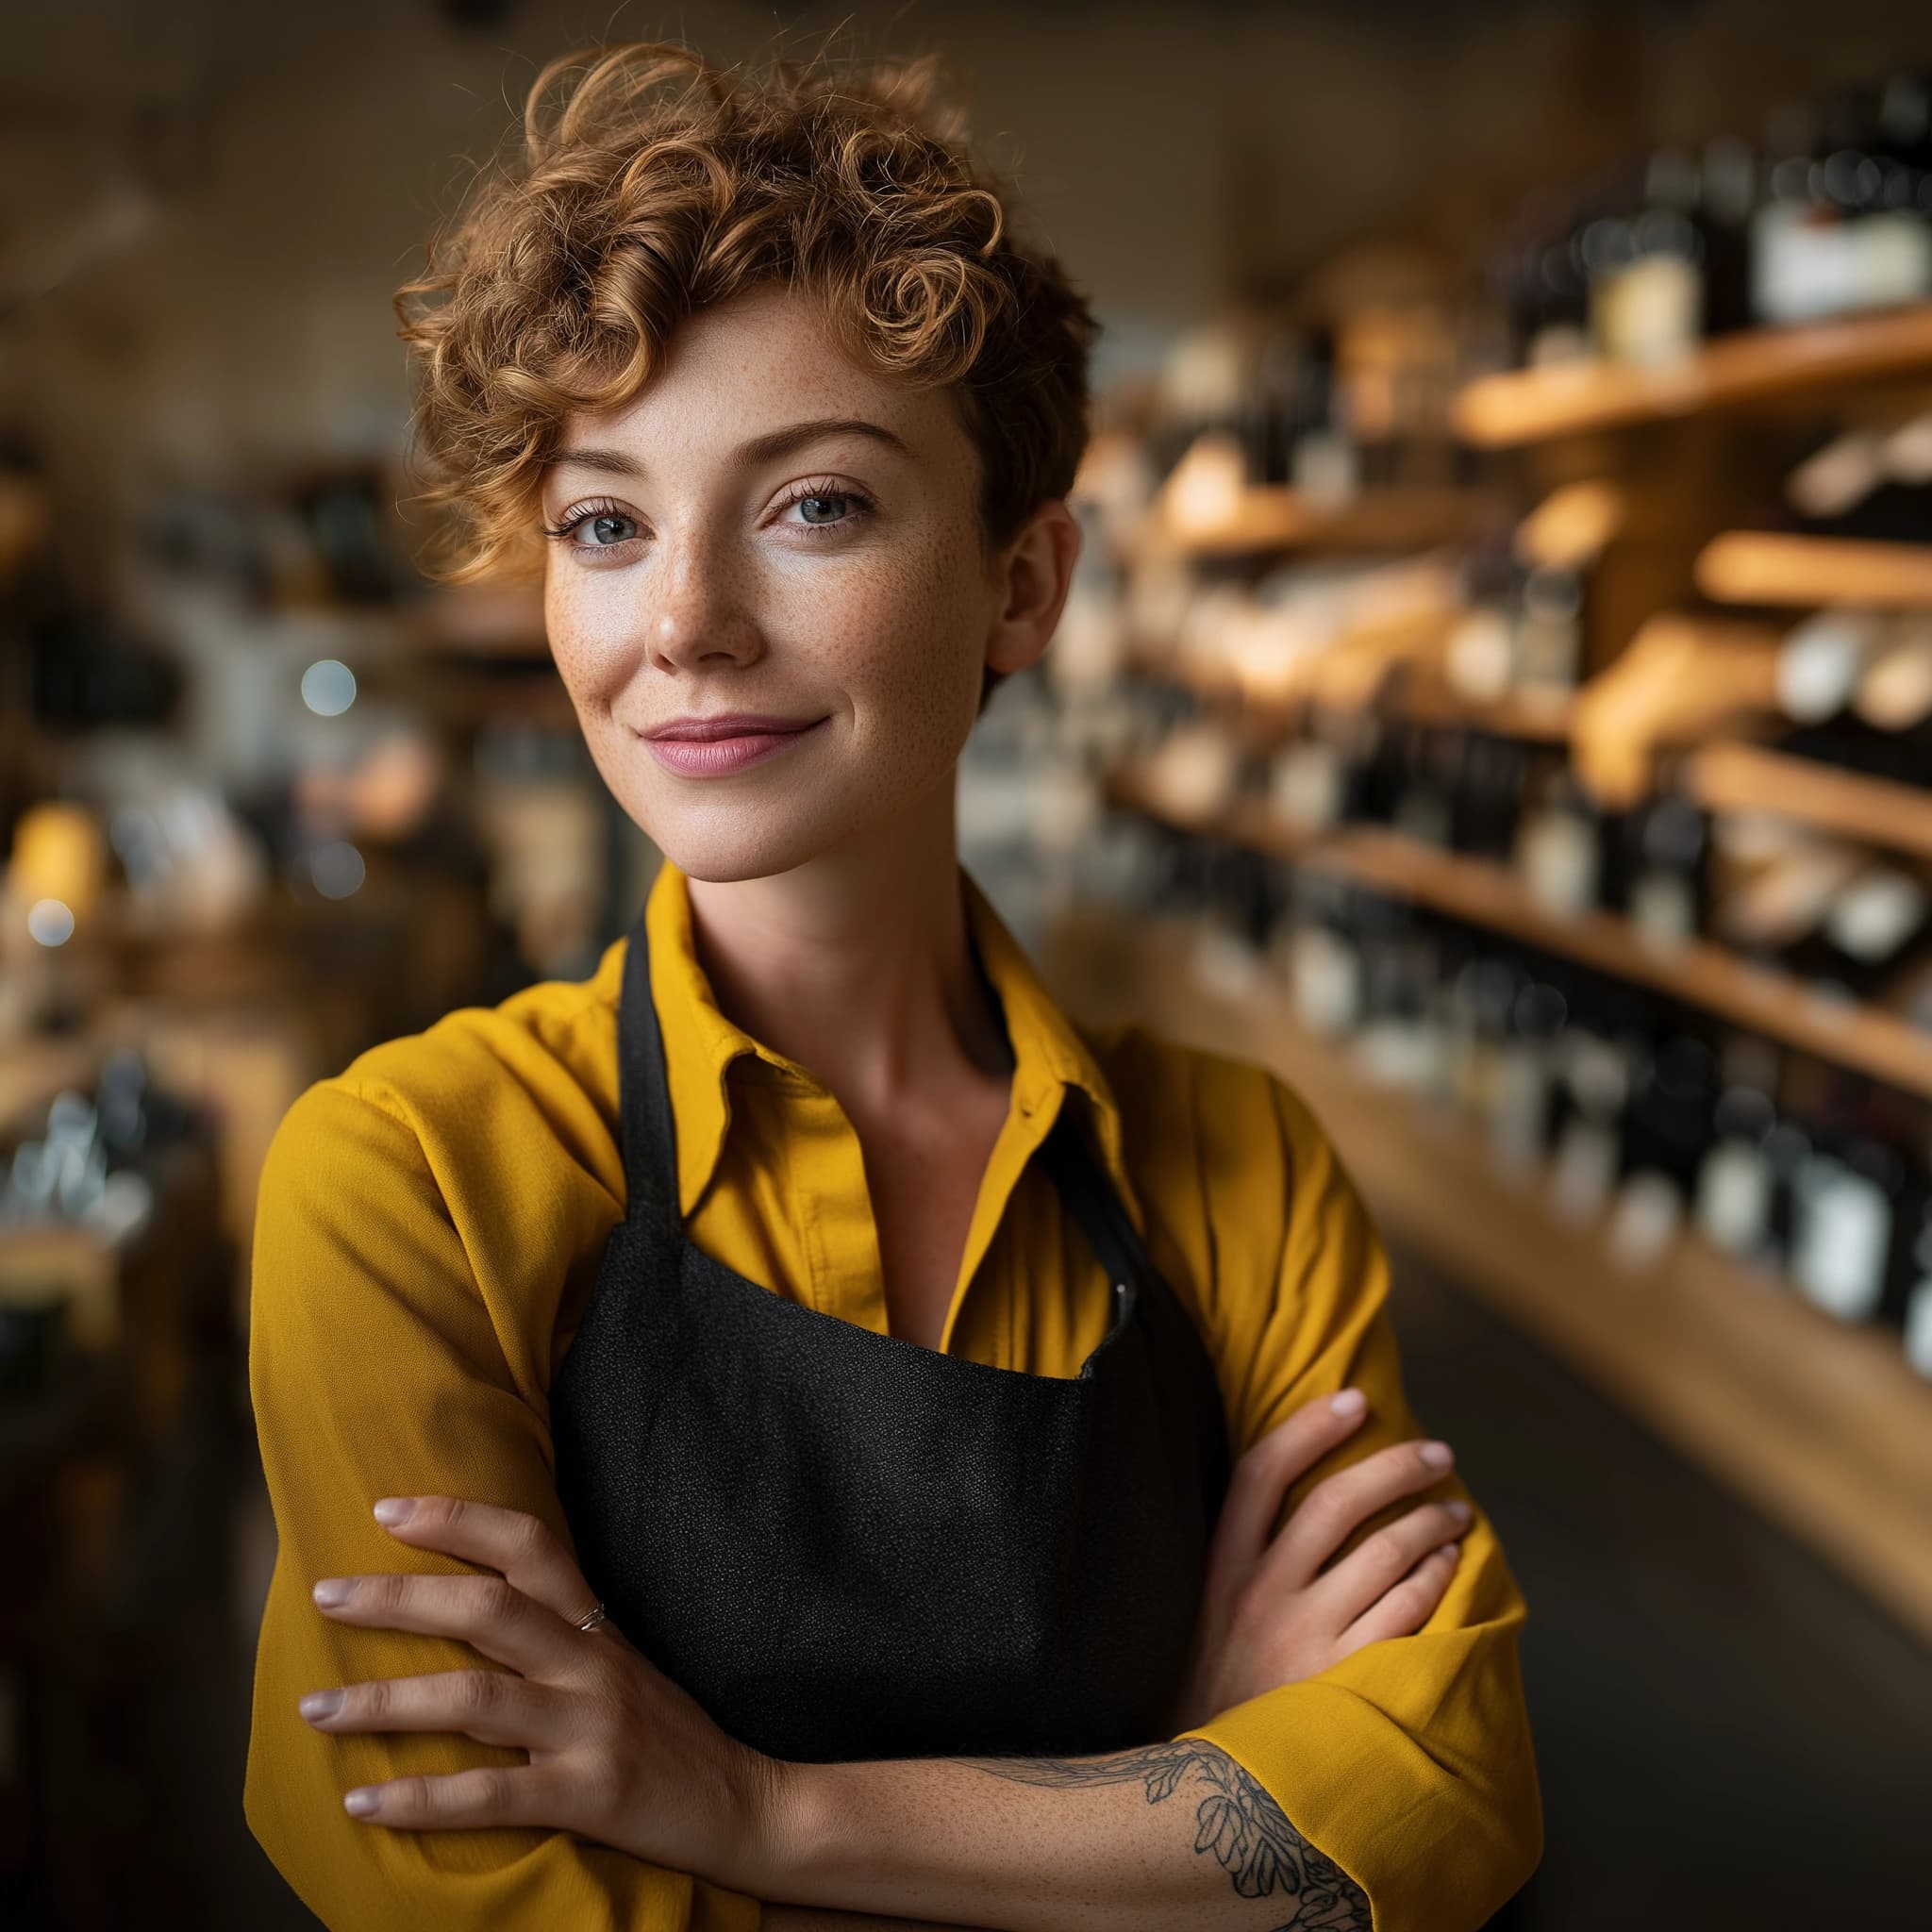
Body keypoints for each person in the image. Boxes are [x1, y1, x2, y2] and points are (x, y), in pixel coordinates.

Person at [242, 36, 1541, 1932]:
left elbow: (1444, 1789)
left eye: (814, 505)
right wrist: (1175, 1790)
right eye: (606, 523)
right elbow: (485, 1897)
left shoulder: (1237, 1165)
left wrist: (764, 1822)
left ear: (1022, 588)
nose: (680, 616)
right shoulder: (406, 1183)